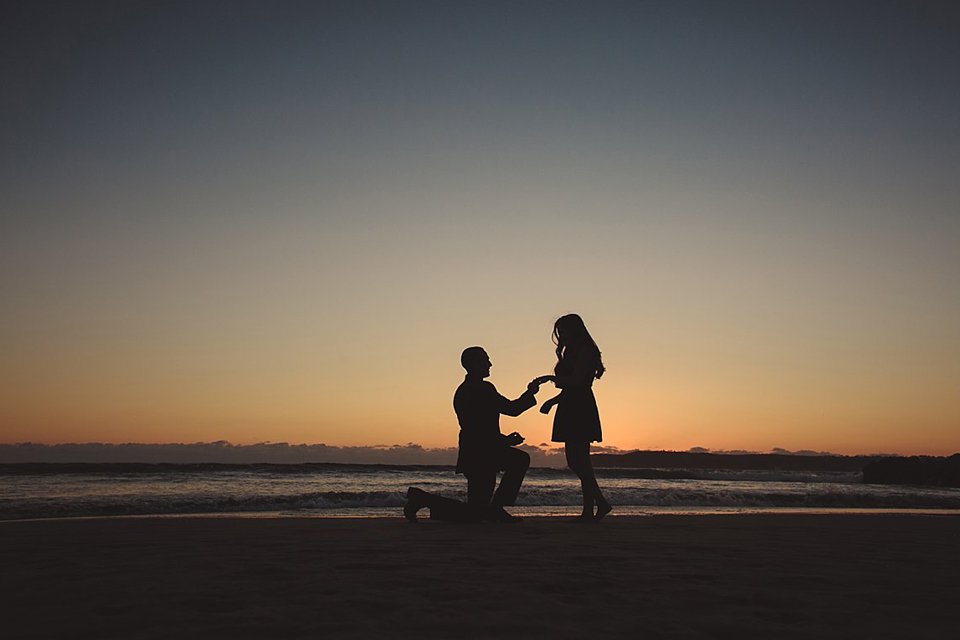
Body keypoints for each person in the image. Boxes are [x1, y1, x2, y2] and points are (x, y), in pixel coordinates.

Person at [404, 346, 542, 523]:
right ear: (473, 364)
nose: (490, 364)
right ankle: (426, 499)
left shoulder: (466, 389)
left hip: (477, 451)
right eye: (485, 360)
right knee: (478, 510)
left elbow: (479, 428)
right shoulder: (482, 389)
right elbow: (510, 410)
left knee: (477, 510)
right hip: (481, 453)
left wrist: (504, 440)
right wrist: (530, 393)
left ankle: (424, 500)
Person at [535, 314, 612, 522]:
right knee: (577, 461)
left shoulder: (586, 350)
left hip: (580, 407)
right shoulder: (571, 351)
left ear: (574, 330)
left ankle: (599, 503)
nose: (561, 336)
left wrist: (552, 378)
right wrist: (553, 401)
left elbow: (578, 382)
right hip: (570, 404)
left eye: (564, 331)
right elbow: (571, 387)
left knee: (580, 462)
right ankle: (590, 509)